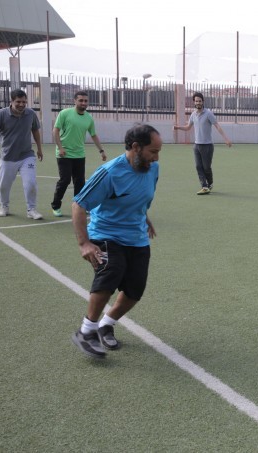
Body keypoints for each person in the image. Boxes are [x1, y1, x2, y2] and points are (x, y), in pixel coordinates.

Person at [70, 124, 162, 359]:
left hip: (136, 236)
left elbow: (140, 197)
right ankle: (86, 331)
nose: (156, 158)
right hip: (106, 233)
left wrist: (145, 218)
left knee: (135, 289)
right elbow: (79, 205)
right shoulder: (110, 173)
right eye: (153, 151)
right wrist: (84, 244)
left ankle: (106, 324)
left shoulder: (152, 168)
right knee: (111, 272)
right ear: (136, 147)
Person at [0, 88, 44, 219]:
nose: (21, 104)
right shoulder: (1, 114)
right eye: (18, 102)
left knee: (30, 183)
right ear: (11, 101)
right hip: (7, 157)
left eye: (24, 102)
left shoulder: (31, 114)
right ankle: (4, 206)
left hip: (27, 156)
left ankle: (31, 209)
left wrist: (39, 149)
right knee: (4, 185)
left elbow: (35, 131)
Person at [50, 90, 107, 217]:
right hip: (64, 153)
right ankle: (56, 206)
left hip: (79, 154)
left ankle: (79, 206)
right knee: (65, 180)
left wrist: (101, 151)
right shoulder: (65, 113)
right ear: (75, 101)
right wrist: (60, 147)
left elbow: (93, 135)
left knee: (80, 183)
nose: (83, 103)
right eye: (80, 100)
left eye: (85, 101)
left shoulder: (89, 118)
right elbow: (56, 130)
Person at [173, 91, 232, 195]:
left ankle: (210, 183)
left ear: (203, 101)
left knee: (206, 167)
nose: (198, 103)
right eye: (196, 101)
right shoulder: (193, 114)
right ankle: (204, 186)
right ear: (194, 102)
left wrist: (226, 139)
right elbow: (188, 127)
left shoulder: (208, 113)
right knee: (198, 166)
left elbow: (217, 125)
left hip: (207, 146)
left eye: (200, 101)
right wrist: (178, 127)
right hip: (197, 145)